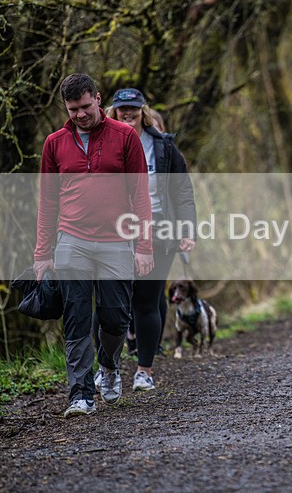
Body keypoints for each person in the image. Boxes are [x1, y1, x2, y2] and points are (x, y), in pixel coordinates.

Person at [34, 73, 154, 418]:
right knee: (76, 319)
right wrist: (42, 253)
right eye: (73, 109)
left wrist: (144, 245)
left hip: (117, 240)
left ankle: (110, 365)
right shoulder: (54, 144)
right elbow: (47, 202)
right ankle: (81, 395)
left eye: (86, 106)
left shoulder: (126, 136)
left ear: (98, 99)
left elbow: (141, 195)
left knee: (116, 318)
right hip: (71, 241)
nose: (80, 114)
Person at [102, 88, 197, 391]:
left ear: (142, 110)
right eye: (121, 109)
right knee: (108, 302)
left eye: (132, 108)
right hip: (113, 231)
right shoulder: (102, 143)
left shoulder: (163, 146)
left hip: (159, 228)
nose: (127, 113)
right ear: (113, 111)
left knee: (147, 300)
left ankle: (145, 370)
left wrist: (187, 228)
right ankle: (107, 369)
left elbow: (182, 191)